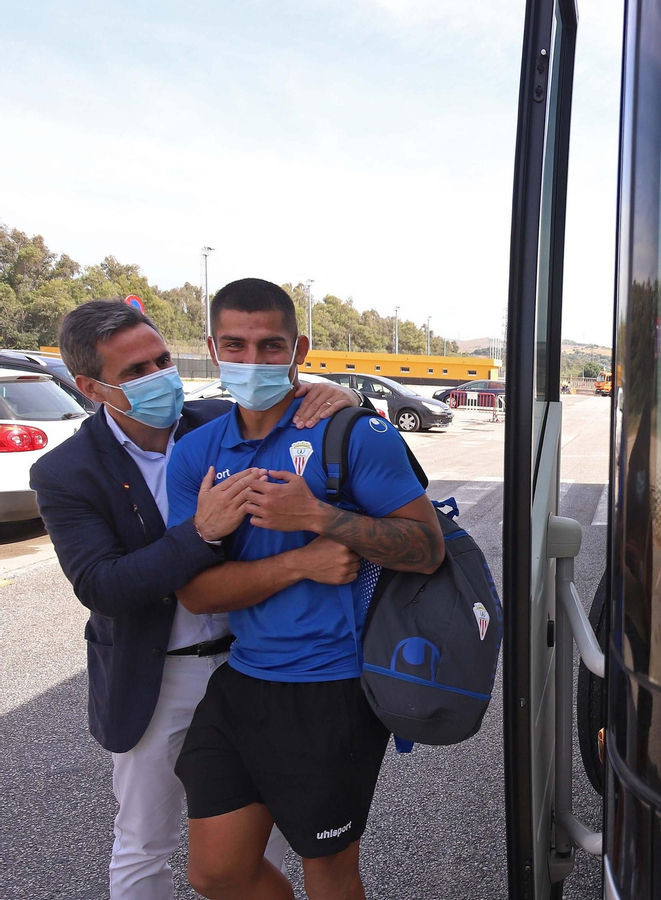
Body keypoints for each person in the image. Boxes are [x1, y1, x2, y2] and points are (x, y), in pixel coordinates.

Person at [29, 300, 362, 900]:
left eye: (162, 359)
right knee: (144, 843)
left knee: (268, 844)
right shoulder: (67, 471)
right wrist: (200, 532)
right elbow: (102, 586)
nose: (160, 377)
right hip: (158, 677)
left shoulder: (214, 422)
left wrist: (342, 398)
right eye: (135, 372)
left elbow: (305, 412)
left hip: (248, 665)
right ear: (91, 387)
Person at [165, 279, 444, 900]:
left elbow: (426, 550)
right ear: (213, 347)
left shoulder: (353, 434)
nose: (253, 360)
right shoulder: (196, 454)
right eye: (235, 344)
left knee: (330, 870)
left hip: (331, 690)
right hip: (242, 681)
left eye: (271, 346)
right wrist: (303, 562)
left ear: (300, 347)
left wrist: (318, 516)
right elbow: (196, 594)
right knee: (216, 873)